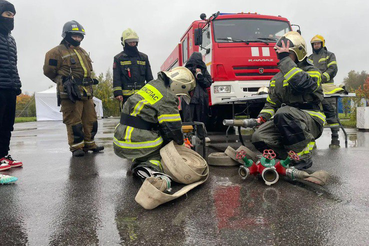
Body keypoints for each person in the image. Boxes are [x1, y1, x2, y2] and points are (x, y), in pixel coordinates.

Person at [252, 31, 325, 170]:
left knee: (284, 113)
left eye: (288, 54)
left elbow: (302, 83)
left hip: (311, 118)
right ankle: (286, 158)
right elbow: (271, 104)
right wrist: (262, 117)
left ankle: (303, 158)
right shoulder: (276, 79)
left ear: (299, 53)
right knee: (259, 136)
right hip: (286, 117)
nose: (284, 58)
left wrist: (285, 61)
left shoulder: (312, 71)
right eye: (281, 55)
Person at [113, 67, 195, 178]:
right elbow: (173, 129)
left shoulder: (154, 85)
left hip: (121, 138)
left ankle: (140, 162)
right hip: (133, 140)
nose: (178, 97)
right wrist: (180, 145)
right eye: (180, 95)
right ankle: (149, 168)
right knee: (166, 152)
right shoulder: (167, 97)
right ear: (179, 86)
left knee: (159, 138)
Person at [43, 20, 104, 157]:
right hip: (70, 93)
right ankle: (76, 147)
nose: (77, 38)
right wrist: (62, 81)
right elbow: (48, 71)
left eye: (80, 36)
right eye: (74, 36)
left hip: (86, 91)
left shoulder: (82, 52)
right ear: (66, 35)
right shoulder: (55, 52)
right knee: (73, 120)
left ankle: (90, 143)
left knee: (91, 119)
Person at [0, 0, 23, 171]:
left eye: (13, 15)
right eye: (8, 14)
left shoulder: (11, 40)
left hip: (10, 86)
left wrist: (17, 83)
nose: (11, 18)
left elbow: (13, 64)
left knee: (8, 123)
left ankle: (3, 155)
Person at [308, 34, 341, 147]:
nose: (316, 45)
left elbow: (333, 69)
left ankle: (335, 139)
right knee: (312, 113)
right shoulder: (310, 58)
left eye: (318, 43)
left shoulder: (330, 55)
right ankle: (312, 140)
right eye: (314, 44)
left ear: (322, 44)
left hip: (327, 88)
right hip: (314, 89)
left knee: (331, 112)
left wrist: (322, 78)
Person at [113, 28, 153, 106]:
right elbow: (116, 78)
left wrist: (152, 93)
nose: (132, 44)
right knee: (128, 117)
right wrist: (118, 93)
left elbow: (149, 77)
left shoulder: (144, 57)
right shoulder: (118, 58)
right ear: (124, 43)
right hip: (126, 97)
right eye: (130, 42)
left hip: (142, 96)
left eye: (134, 42)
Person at [181, 52, 212, 139]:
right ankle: (190, 137)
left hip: (195, 99)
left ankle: (193, 137)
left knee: (198, 119)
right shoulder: (187, 71)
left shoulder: (202, 71)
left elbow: (208, 83)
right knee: (192, 120)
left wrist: (200, 76)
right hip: (192, 99)